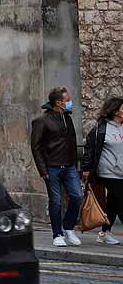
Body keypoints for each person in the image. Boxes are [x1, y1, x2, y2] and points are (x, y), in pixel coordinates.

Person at [30, 86, 84, 247]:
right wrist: (43, 170)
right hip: (52, 167)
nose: (70, 103)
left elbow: (72, 142)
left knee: (77, 196)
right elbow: (36, 146)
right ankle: (57, 234)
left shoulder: (67, 118)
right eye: (67, 100)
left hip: (69, 166)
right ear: (59, 103)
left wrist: (75, 164)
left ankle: (68, 227)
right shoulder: (42, 121)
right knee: (56, 201)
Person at [81, 96, 123, 245]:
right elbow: (90, 148)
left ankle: (104, 232)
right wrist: (86, 168)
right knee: (120, 200)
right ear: (116, 110)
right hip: (108, 171)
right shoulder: (102, 127)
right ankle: (105, 233)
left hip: (121, 171)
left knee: (113, 203)